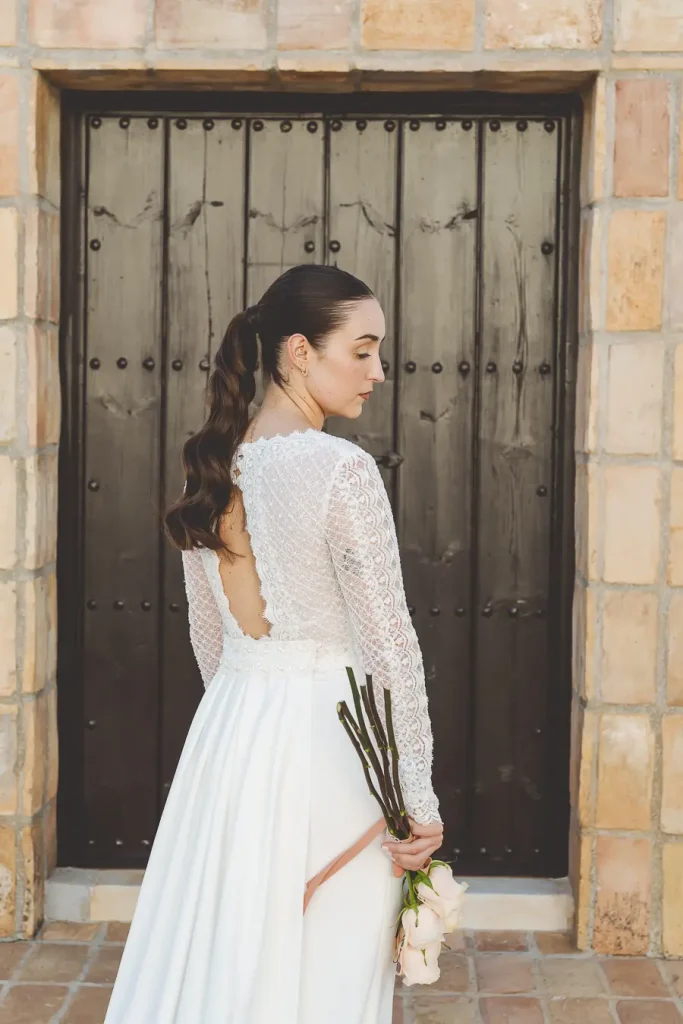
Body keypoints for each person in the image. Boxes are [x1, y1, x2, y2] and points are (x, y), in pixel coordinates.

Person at [103, 264, 444, 1024]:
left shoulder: (212, 466)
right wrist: (416, 794)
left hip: (231, 737)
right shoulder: (341, 471)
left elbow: (210, 641)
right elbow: (389, 640)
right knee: (325, 965)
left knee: (229, 953)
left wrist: (242, 740)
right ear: (297, 352)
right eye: (360, 351)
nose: (376, 372)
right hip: (328, 742)